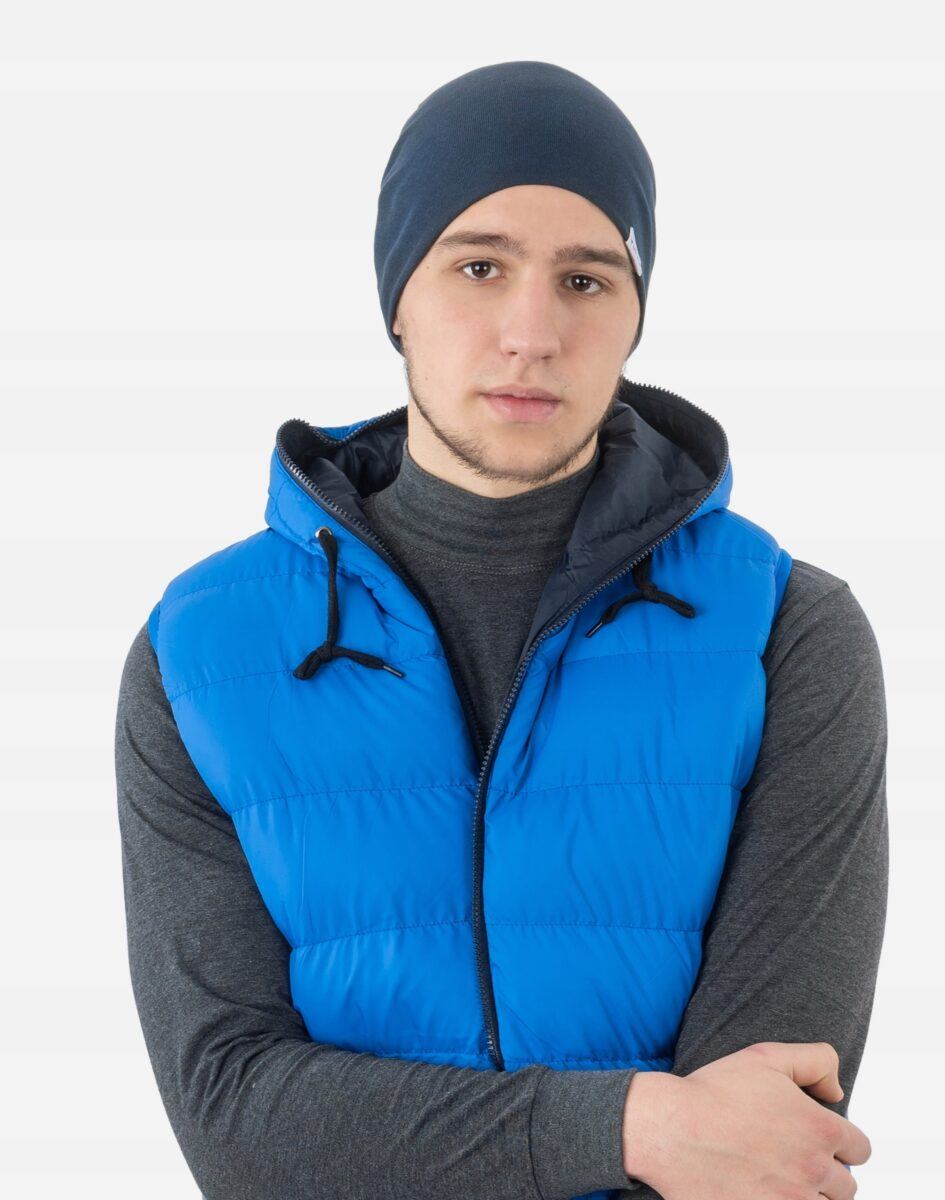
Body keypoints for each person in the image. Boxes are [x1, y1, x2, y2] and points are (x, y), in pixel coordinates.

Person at [115, 61, 887, 1200]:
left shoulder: (785, 634)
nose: (532, 333)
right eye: (479, 267)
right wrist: (632, 1125)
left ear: (634, 312)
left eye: (585, 279)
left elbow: (765, 1141)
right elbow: (235, 1119)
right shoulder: (205, 654)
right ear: (397, 297)